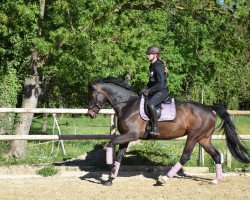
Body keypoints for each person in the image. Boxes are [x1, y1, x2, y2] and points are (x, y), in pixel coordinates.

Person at [141, 45, 169, 136]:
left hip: (161, 91)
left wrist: (149, 91)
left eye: (149, 54)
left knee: (151, 104)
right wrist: (145, 88)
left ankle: (155, 128)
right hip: (155, 90)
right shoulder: (152, 65)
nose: (147, 56)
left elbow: (160, 84)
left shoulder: (158, 66)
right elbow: (151, 81)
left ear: (155, 55)